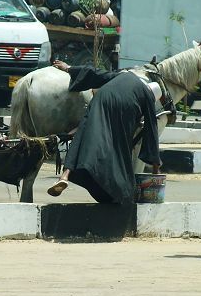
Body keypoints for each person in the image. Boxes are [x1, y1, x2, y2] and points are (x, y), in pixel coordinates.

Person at [47, 59, 163, 204]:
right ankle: (117, 191)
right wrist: (155, 168)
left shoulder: (124, 75)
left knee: (84, 133)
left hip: (100, 100)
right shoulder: (147, 95)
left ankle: (65, 175)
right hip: (121, 109)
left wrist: (69, 68)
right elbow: (151, 131)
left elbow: (96, 73)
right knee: (118, 148)